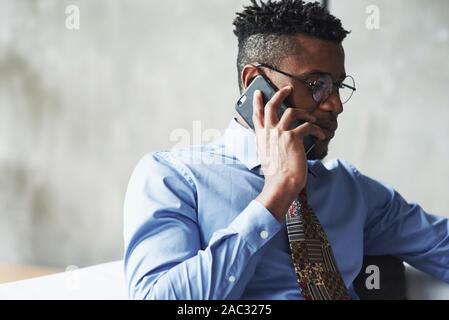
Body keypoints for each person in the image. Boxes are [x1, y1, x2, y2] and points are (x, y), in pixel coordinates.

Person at [123, 0, 449, 299]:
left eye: (338, 86)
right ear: (255, 82)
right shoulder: (173, 177)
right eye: (317, 85)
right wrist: (276, 194)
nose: (335, 104)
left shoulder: (351, 190)